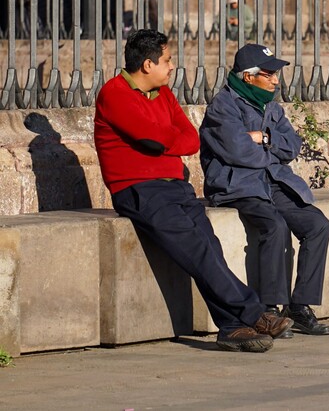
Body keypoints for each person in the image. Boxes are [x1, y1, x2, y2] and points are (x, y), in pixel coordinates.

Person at [94, 29, 292, 353]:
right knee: (196, 251)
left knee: (210, 249)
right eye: (167, 60)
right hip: (140, 190)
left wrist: (166, 139)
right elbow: (153, 139)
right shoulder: (114, 94)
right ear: (147, 64)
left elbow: (190, 139)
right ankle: (254, 313)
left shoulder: (164, 94)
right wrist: (166, 139)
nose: (172, 67)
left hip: (177, 187)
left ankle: (230, 327)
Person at [199, 43, 329, 337]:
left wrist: (264, 137)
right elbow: (238, 152)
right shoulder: (223, 106)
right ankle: (270, 309)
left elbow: (293, 146)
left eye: (276, 74)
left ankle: (298, 307)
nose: (276, 80)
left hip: (272, 181)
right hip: (237, 184)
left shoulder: (271, 105)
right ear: (249, 76)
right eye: (269, 74)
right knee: (274, 225)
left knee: (317, 225)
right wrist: (268, 149)